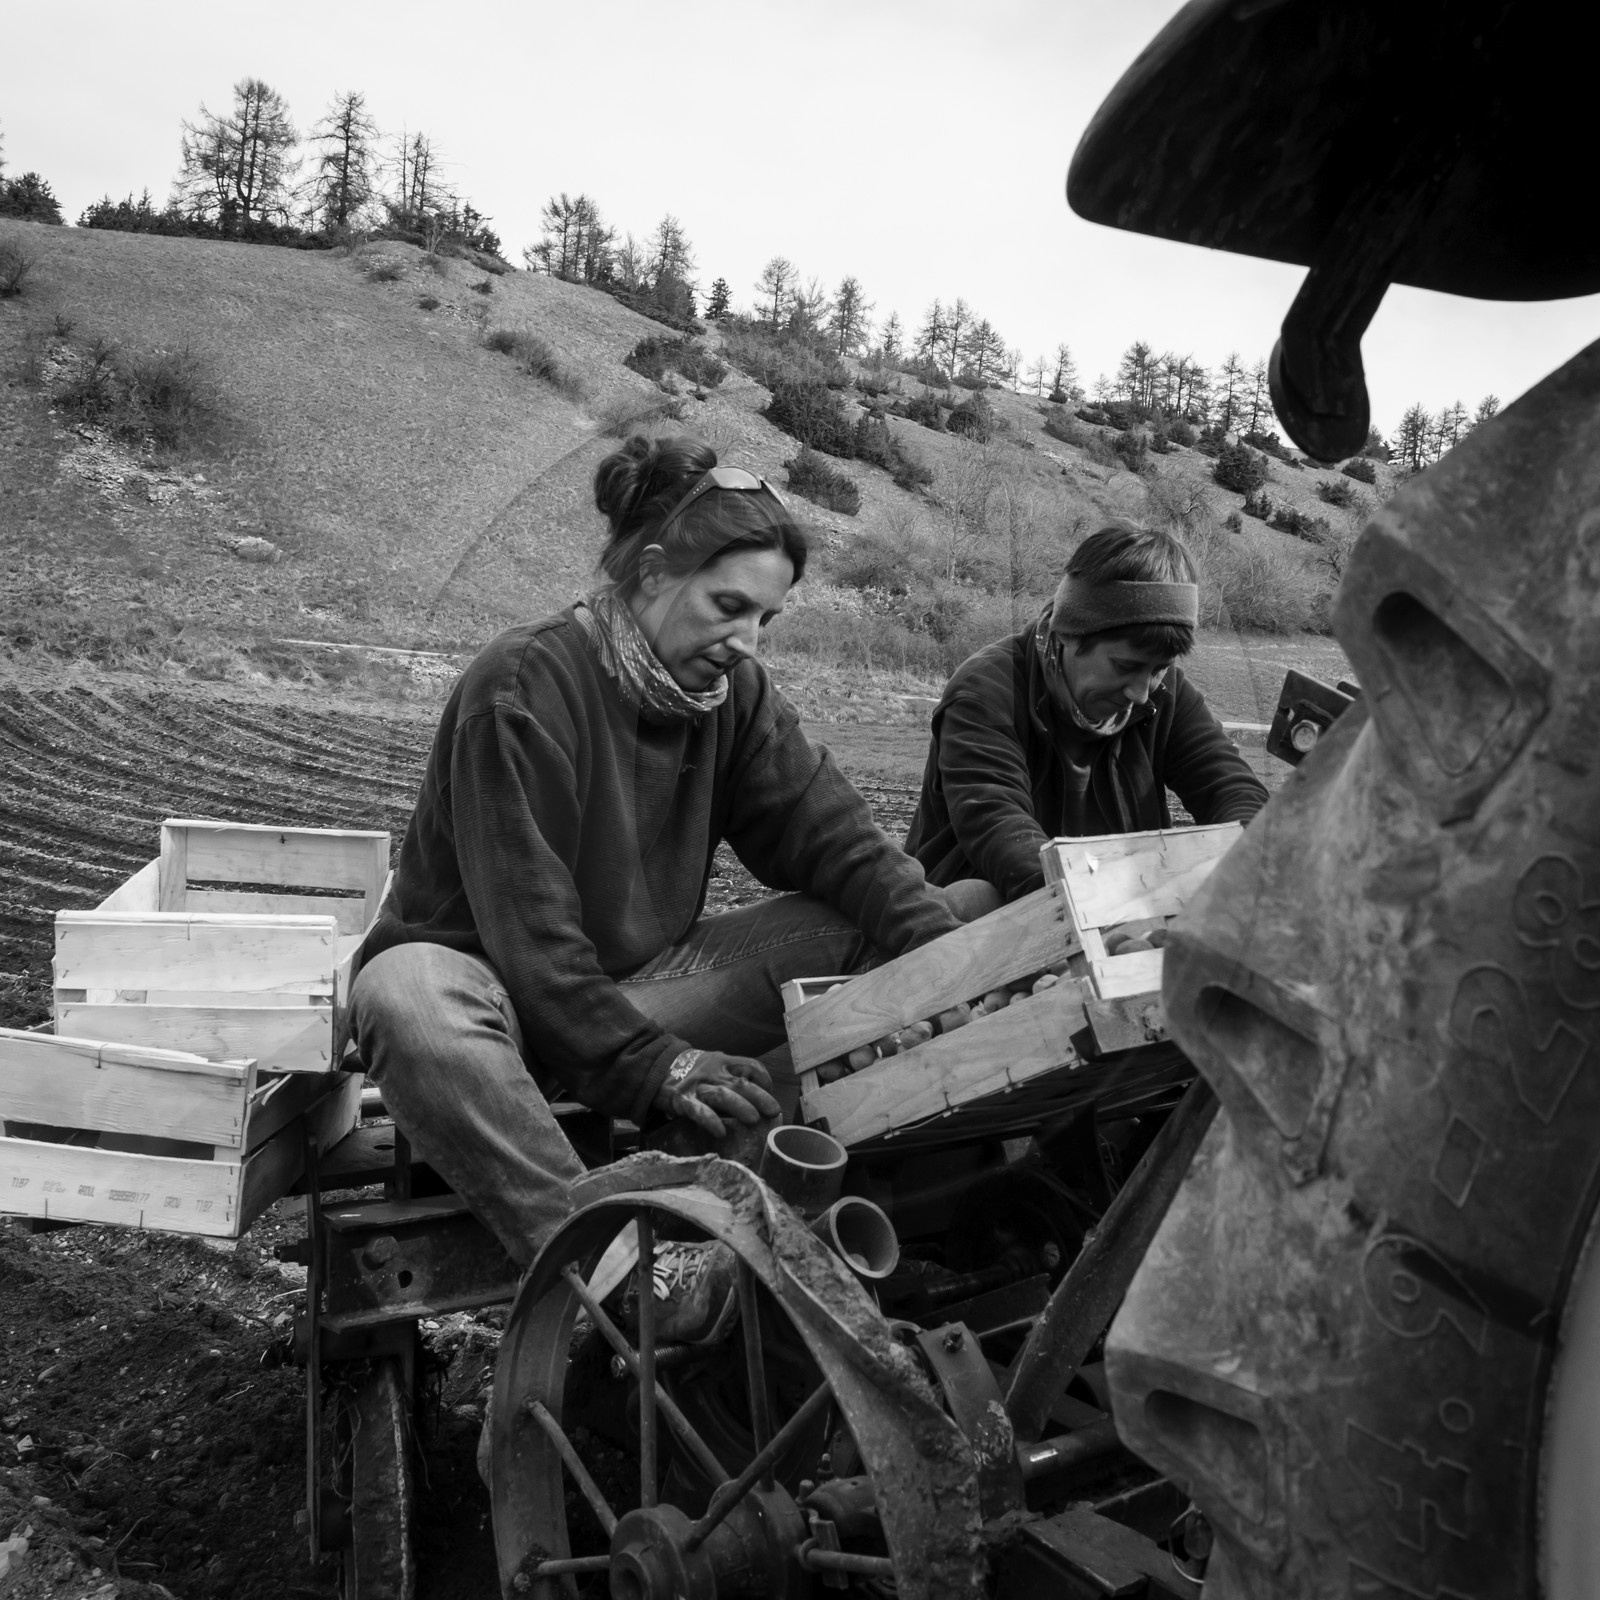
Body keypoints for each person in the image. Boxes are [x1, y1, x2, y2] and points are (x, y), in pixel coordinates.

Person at [348, 434, 965, 1282]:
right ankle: (616, 1276)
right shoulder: (523, 683)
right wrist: (660, 1067)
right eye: (727, 606)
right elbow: (533, 945)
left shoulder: (731, 696)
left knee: (857, 922)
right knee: (404, 991)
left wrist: (955, 960)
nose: (747, 640)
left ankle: (754, 1165)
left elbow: (837, 837)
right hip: (502, 1003)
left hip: (642, 988)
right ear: (649, 573)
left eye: (764, 619)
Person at [906, 521, 1268, 906]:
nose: (1141, 693)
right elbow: (999, 830)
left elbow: (1233, 789)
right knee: (977, 898)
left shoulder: (1166, 695)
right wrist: (1102, 909)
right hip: (981, 920)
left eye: (1159, 668)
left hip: (1117, 907)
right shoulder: (986, 691)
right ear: (1070, 634)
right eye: (1125, 667)